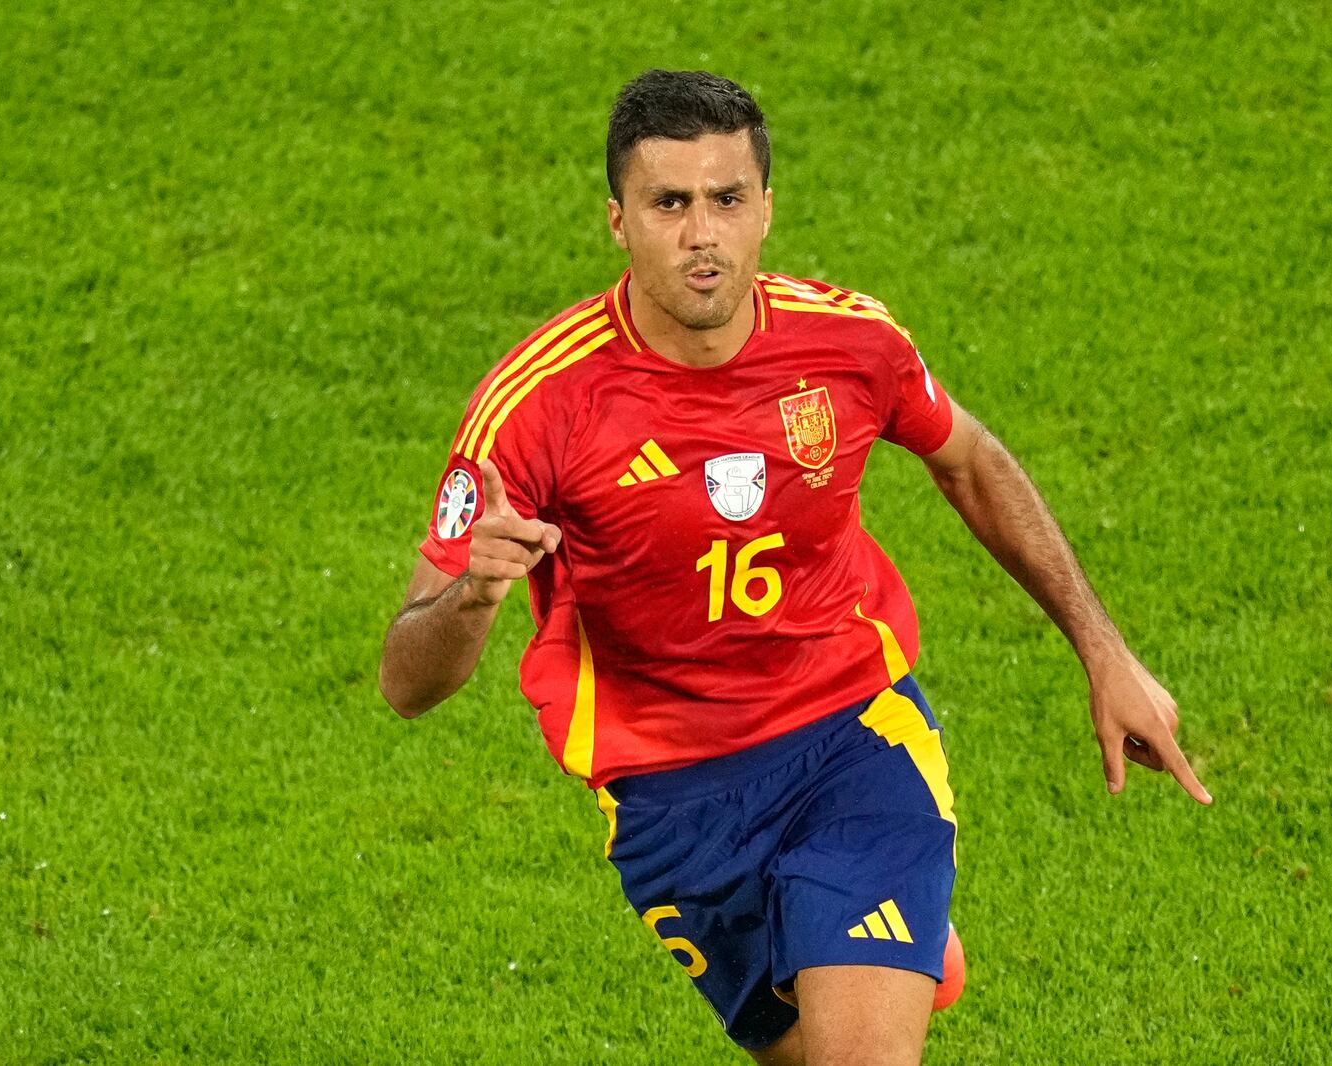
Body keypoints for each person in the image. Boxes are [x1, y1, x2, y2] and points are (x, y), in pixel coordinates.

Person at [378, 69, 1211, 1066]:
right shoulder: (535, 407)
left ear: (765, 207)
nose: (702, 234)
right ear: (617, 220)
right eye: (669, 203)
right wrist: (473, 594)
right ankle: (881, 939)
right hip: (671, 798)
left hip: (851, 738)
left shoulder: (849, 342)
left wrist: (1103, 649)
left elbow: (974, 465)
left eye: (727, 199)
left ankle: (869, 909)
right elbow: (405, 683)